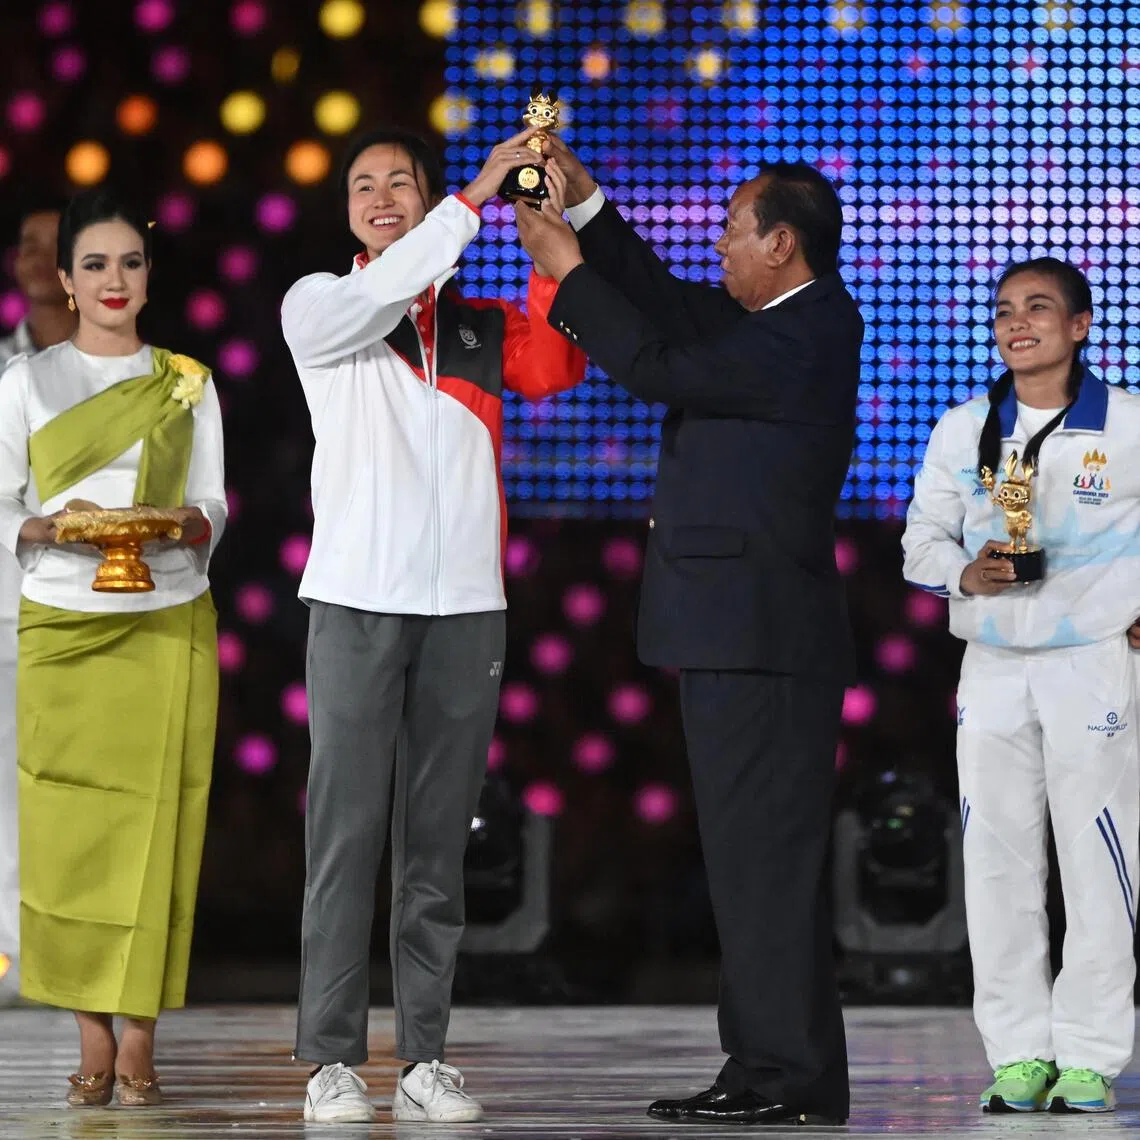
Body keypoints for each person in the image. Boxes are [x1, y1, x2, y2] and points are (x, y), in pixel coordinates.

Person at [515, 148, 862, 1124]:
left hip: (765, 638)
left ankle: (785, 1077)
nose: (717, 242)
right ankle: (768, 1069)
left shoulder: (812, 328)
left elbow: (655, 363)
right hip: (736, 635)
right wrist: (583, 207)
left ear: (782, 244)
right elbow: (662, 305)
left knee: (766, 865)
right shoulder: (770, 321)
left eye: (733, 228)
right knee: (749, 864)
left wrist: (564, 271)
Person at [280, 126, 585, 1125]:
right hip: (356, 604)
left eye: (397, 182)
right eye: (364, 185)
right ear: (351, 213)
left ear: (419, 199)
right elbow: (380, 291)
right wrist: (474, 195)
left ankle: (423, 1057)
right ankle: (330, 1058)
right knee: (345, 836)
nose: (381, 196)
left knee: (434, 848)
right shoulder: (323, 306)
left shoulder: (479, 328)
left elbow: (555, 370)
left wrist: (548, 233)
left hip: (464, 611)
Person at [0, 187, 226, 1107]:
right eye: (93, 264)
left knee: (155, 832)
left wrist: (179, 525)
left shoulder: (188, 381)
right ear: (65, 279)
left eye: (129, 262)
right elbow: (6, 507)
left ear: (148, 274)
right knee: (68, 838)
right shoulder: (27, 382)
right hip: (59, 627)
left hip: (164, 620)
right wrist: (55, 529)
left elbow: (213, 502)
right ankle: (87, 1029)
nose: (113, 280)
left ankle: (137, 1036)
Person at [902, 258, 1140, 1114]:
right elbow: (920, 539)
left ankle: (1089, 1054)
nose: (1018, 324)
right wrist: (967, 575)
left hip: (1093, 662)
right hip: (995, 662)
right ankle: (1017, 1051)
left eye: (1039, 309)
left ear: (1081, 326)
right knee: (997, 861)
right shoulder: (966, 428)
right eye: (1005, 311)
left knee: (1098, 857)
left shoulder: (1128, 425)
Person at [0, 202, 77, 1006]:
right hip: (8, 613)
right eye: (24, 243)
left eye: (52, 247)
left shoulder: (132, 374)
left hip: (106, 615)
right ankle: (16, 962)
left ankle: (80, 958)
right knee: (7, 795)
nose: (33, 258)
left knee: (85, 792)